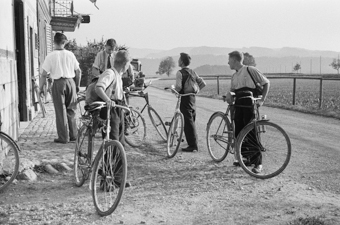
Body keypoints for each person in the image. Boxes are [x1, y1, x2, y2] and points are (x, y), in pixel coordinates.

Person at [226, 51, 270, 173]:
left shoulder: (250, 70)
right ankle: (247, 158)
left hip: (250, 106)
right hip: (238, 106)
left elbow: (266, 83)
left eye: (229, 60)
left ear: (235, 60)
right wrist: (229, 95)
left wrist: (262, 100)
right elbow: (233, 91)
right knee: (239, 132)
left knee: (251, 132)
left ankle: (258, 163)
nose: (228, 62)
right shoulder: (234, 77)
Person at [94, 50, 131, 187]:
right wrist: (108, 100)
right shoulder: (110, 73)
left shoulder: (118, 75)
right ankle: (106, 180)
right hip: (110, 110)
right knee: (112, 144)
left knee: (121, 144)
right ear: (125, 64)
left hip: (118, 109)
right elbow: (99, 88)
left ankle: (118, 179)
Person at [39, 32, 81, 144]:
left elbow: (44, 74)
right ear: (64, 42)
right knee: (71, 109)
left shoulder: (51, 56)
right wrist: (76, 85)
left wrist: (40, 88)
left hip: (58, 83)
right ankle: (73, 135)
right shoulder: (70, 54)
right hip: (71, 82)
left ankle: (63, 137)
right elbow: (78, 71)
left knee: (60, 111)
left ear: (54, 42)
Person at [174, 53, 203, 152]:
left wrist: (173, 90)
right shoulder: (193, 72)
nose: (178, 61)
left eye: (179, 59)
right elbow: (202, 83)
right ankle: (193, 142)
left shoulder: (180, 73)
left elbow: (178, 87)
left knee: (188, 122)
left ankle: (193, 145)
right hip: (193, 98)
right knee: (192, 120)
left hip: (184, 98)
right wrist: (196, 91)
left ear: (182, 61)